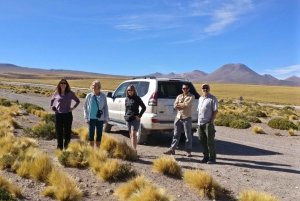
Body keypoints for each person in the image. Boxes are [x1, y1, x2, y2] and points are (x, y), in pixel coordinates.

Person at [164, 83, 195, 157]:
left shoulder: (191, 96)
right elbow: (175, 105)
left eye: (186, 88)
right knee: (176, 135)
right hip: (178, 117)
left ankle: (188, 151)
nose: (185, 90)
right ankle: (172, 149)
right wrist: (181, 105)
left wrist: (180, 105)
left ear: (189, 89)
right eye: (184, 88)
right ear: (182, 89)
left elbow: (186, 105)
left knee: (188, 135)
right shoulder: (179, 96)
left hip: (186, 118)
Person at [50, 78, 80, 150]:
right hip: (58, 115)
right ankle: (59, 149)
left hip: (67, 115)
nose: (63, 84)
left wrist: (73, 108)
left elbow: (78, 101)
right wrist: (51, 106)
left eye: (64, 83)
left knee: (67, 133)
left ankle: (67, 148)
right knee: (59, 133)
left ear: (66, 85)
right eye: (61, 83)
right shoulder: (56, 92)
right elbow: (51, 100)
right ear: (59, 84)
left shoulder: (70, 93)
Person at [83, 80, 109, 148]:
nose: (94, 86)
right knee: (91, 134)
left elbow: (105, 107)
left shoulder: (103, 96)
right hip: (91, 118)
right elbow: (85, 107)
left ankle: (97, 150)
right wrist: (86, 118)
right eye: (93, 85)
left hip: (100, 118)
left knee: (99, 134)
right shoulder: (89, 96)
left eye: (96, 85)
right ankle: (91, 151)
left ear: (99, 86)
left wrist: (106, 118)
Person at [197, 83, 218, 164]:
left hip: (208, 123)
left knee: (210, 141)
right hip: (200, 123)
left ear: (209, 89)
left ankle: (212, 158)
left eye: (206, 88)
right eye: (203, 88)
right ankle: (206, 157)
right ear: (202, 89)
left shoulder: (212, 99)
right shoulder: (200, 99)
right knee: (202, 141)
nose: (205, 89)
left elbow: (215, 111)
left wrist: (210, 121)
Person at [124, 85, 146, 152]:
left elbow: (144, 107)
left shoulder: (137, 98)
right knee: (130, 134)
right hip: (128, 118)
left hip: (135, 119)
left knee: (134, 134)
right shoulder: (127, 99)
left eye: (131, 90)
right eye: (128, 90)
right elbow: (126, 108)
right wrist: (125, 115)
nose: (130, 91)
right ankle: (132, 147)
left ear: (134, 91)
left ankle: (134, 150)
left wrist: (139, 116)